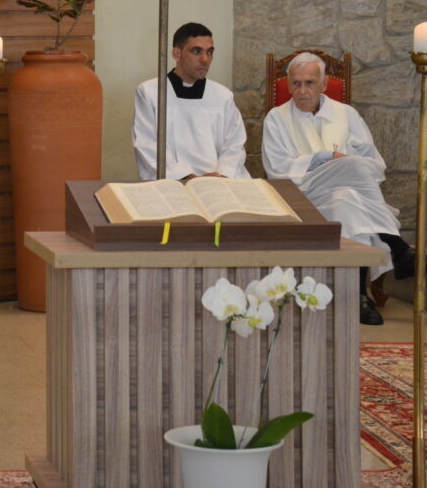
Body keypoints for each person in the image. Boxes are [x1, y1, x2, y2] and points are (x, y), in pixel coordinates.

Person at [262, 52, 414, 325]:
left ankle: (357, 296)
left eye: (309, 83)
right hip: (304, 195)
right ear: (287, 84)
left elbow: (375, 165)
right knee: (350, 166)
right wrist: (323, 160)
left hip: (345, 198)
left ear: (323, 84)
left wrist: (342, 165)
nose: (302, 91)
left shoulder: (347, 115)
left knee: (345, 197)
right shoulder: (277, 118)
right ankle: (395, 243)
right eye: (295, 84)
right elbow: (276, 170)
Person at [132, 22, 250, 181]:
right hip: (174, 182)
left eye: (210, 52)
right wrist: (188, 177)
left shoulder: (222, 96)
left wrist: (221, 175)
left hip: (219, 183)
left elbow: (234, 146)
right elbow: (148, 145)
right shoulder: (151, 92)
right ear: (176, 54)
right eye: (196, 51)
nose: (205, 59)